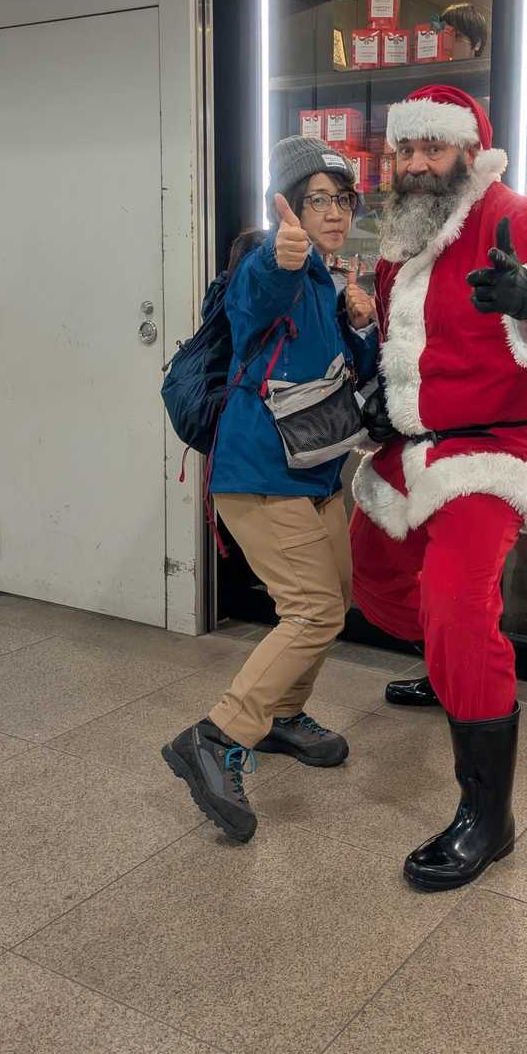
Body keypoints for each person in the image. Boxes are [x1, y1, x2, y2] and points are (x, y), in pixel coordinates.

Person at [352, 84, 527, 889]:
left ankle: (487, 817)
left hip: (501, 441)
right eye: (405, 149)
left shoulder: (514, 217)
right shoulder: (404, 234)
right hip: (421, 437)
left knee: (457, 603)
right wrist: (382, 398)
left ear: (468, 151)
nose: (416, 164)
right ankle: (446, 667)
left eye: (431, 148)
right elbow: (406, 343)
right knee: (374, 573)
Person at [164, 138, 378, 843]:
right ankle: (217, 736)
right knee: (311, 609)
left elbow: (346, 370)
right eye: (318, 199)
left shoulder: (327, 280)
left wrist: (362, 325)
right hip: (260, 474)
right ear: (288, 207)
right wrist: (280, 257)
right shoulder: (269, 268)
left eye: (343, 199)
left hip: (317, 468)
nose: (335, 212)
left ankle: (284, 715)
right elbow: (256, 296)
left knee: (333, 600)